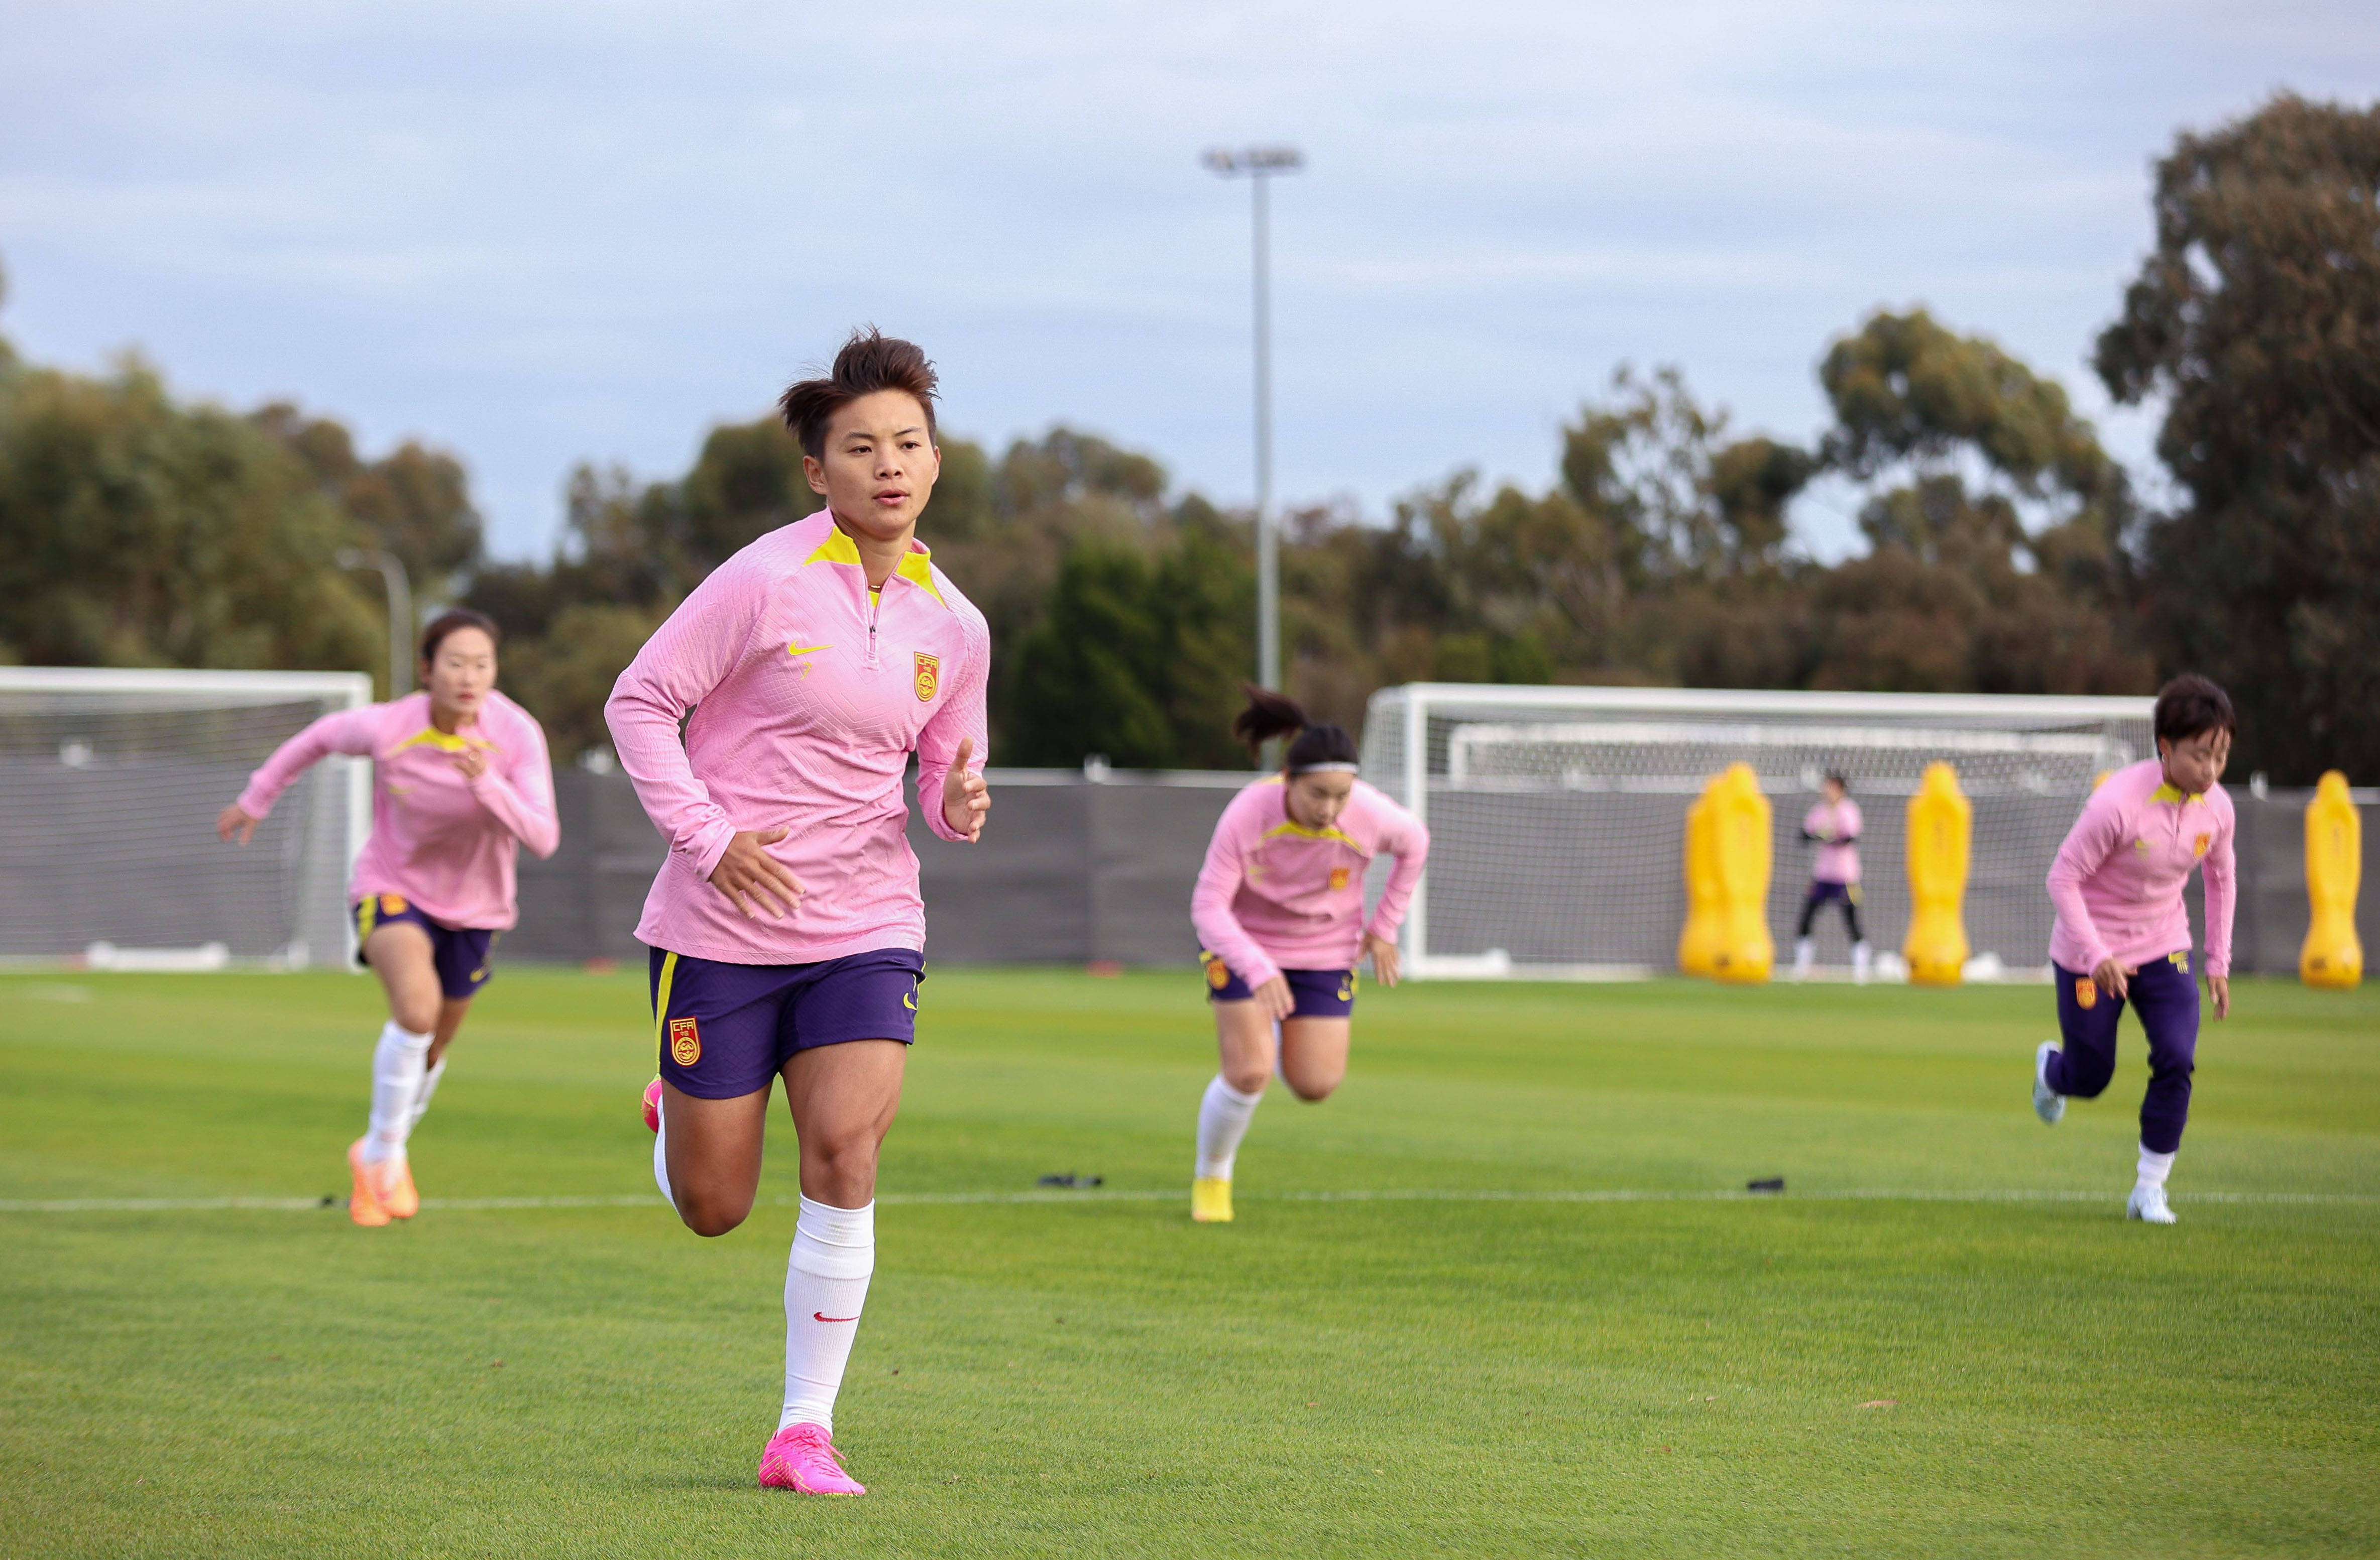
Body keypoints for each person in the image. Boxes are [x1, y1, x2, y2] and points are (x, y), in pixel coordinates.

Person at [606, 329, 990, 1498]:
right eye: (862, 446)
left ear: (935, 461)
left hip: (869, 922)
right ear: (818, 470)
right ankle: (675, 1117)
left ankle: (802, 1429)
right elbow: (640, 700)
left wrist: (958, 800)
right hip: (719, 930)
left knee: (846, 1148)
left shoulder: (955, 625)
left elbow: (936, 777)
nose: (890, 464)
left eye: (910, 443)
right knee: (715, 1206)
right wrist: (712, 839)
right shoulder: (761, 579)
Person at [218, 608, 557, 1227]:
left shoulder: (515, 734)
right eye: (454, 663)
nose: (468, 677)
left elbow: (544, 837)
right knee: (416, 1010)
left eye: (481, 664)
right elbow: (317, 738)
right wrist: (257, 796)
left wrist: (489, 785)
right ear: (427, 670)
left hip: (478, 909)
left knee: (437, 1041)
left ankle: (376, 1153)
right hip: (391, 886)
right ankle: (384, 1158)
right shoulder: (388, 727)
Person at [1186, 688, 1429, 1224]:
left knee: (1315, 1084)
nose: (1330, 808)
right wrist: (1257, 967)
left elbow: (1415, 842)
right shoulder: (1249, 812)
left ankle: (1263, 1035)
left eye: (1341, 795)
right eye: (1317, 793)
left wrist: (1384, 927)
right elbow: (1207, 907)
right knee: (1249, 1072)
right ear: (1288, 781)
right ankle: (1213, 1175)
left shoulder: (1366, 814)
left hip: (1324, 948)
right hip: (1242, 943)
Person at [2033, 674, 2236, 1224]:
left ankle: (2149, 1188)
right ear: (2165, 748)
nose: (2212, 770)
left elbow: (2220, 879)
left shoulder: (2216, 808)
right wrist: (2096, 954)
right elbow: (2061, 878)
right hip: (2088, 953)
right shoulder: (2115, 803)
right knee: (2090, 1077)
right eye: (2200, 756)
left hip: (2164, 946)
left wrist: (2216, 961)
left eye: (2220, 755)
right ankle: (2052, 1072)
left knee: (2175, 1057)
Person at [1791, 770, 1871, 982]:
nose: (1826, 790)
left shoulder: (1849, 810)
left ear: (1839, 788)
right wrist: (1819, 834)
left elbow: (1850, 838)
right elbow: (1804, 835)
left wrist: (1831, 836)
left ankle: (1861, 969)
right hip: (1822, 874)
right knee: (1807, 917)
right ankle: (1801, 966)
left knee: (1851, 920)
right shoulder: (1820, 811)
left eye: (1830, 786)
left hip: (1845, 876)